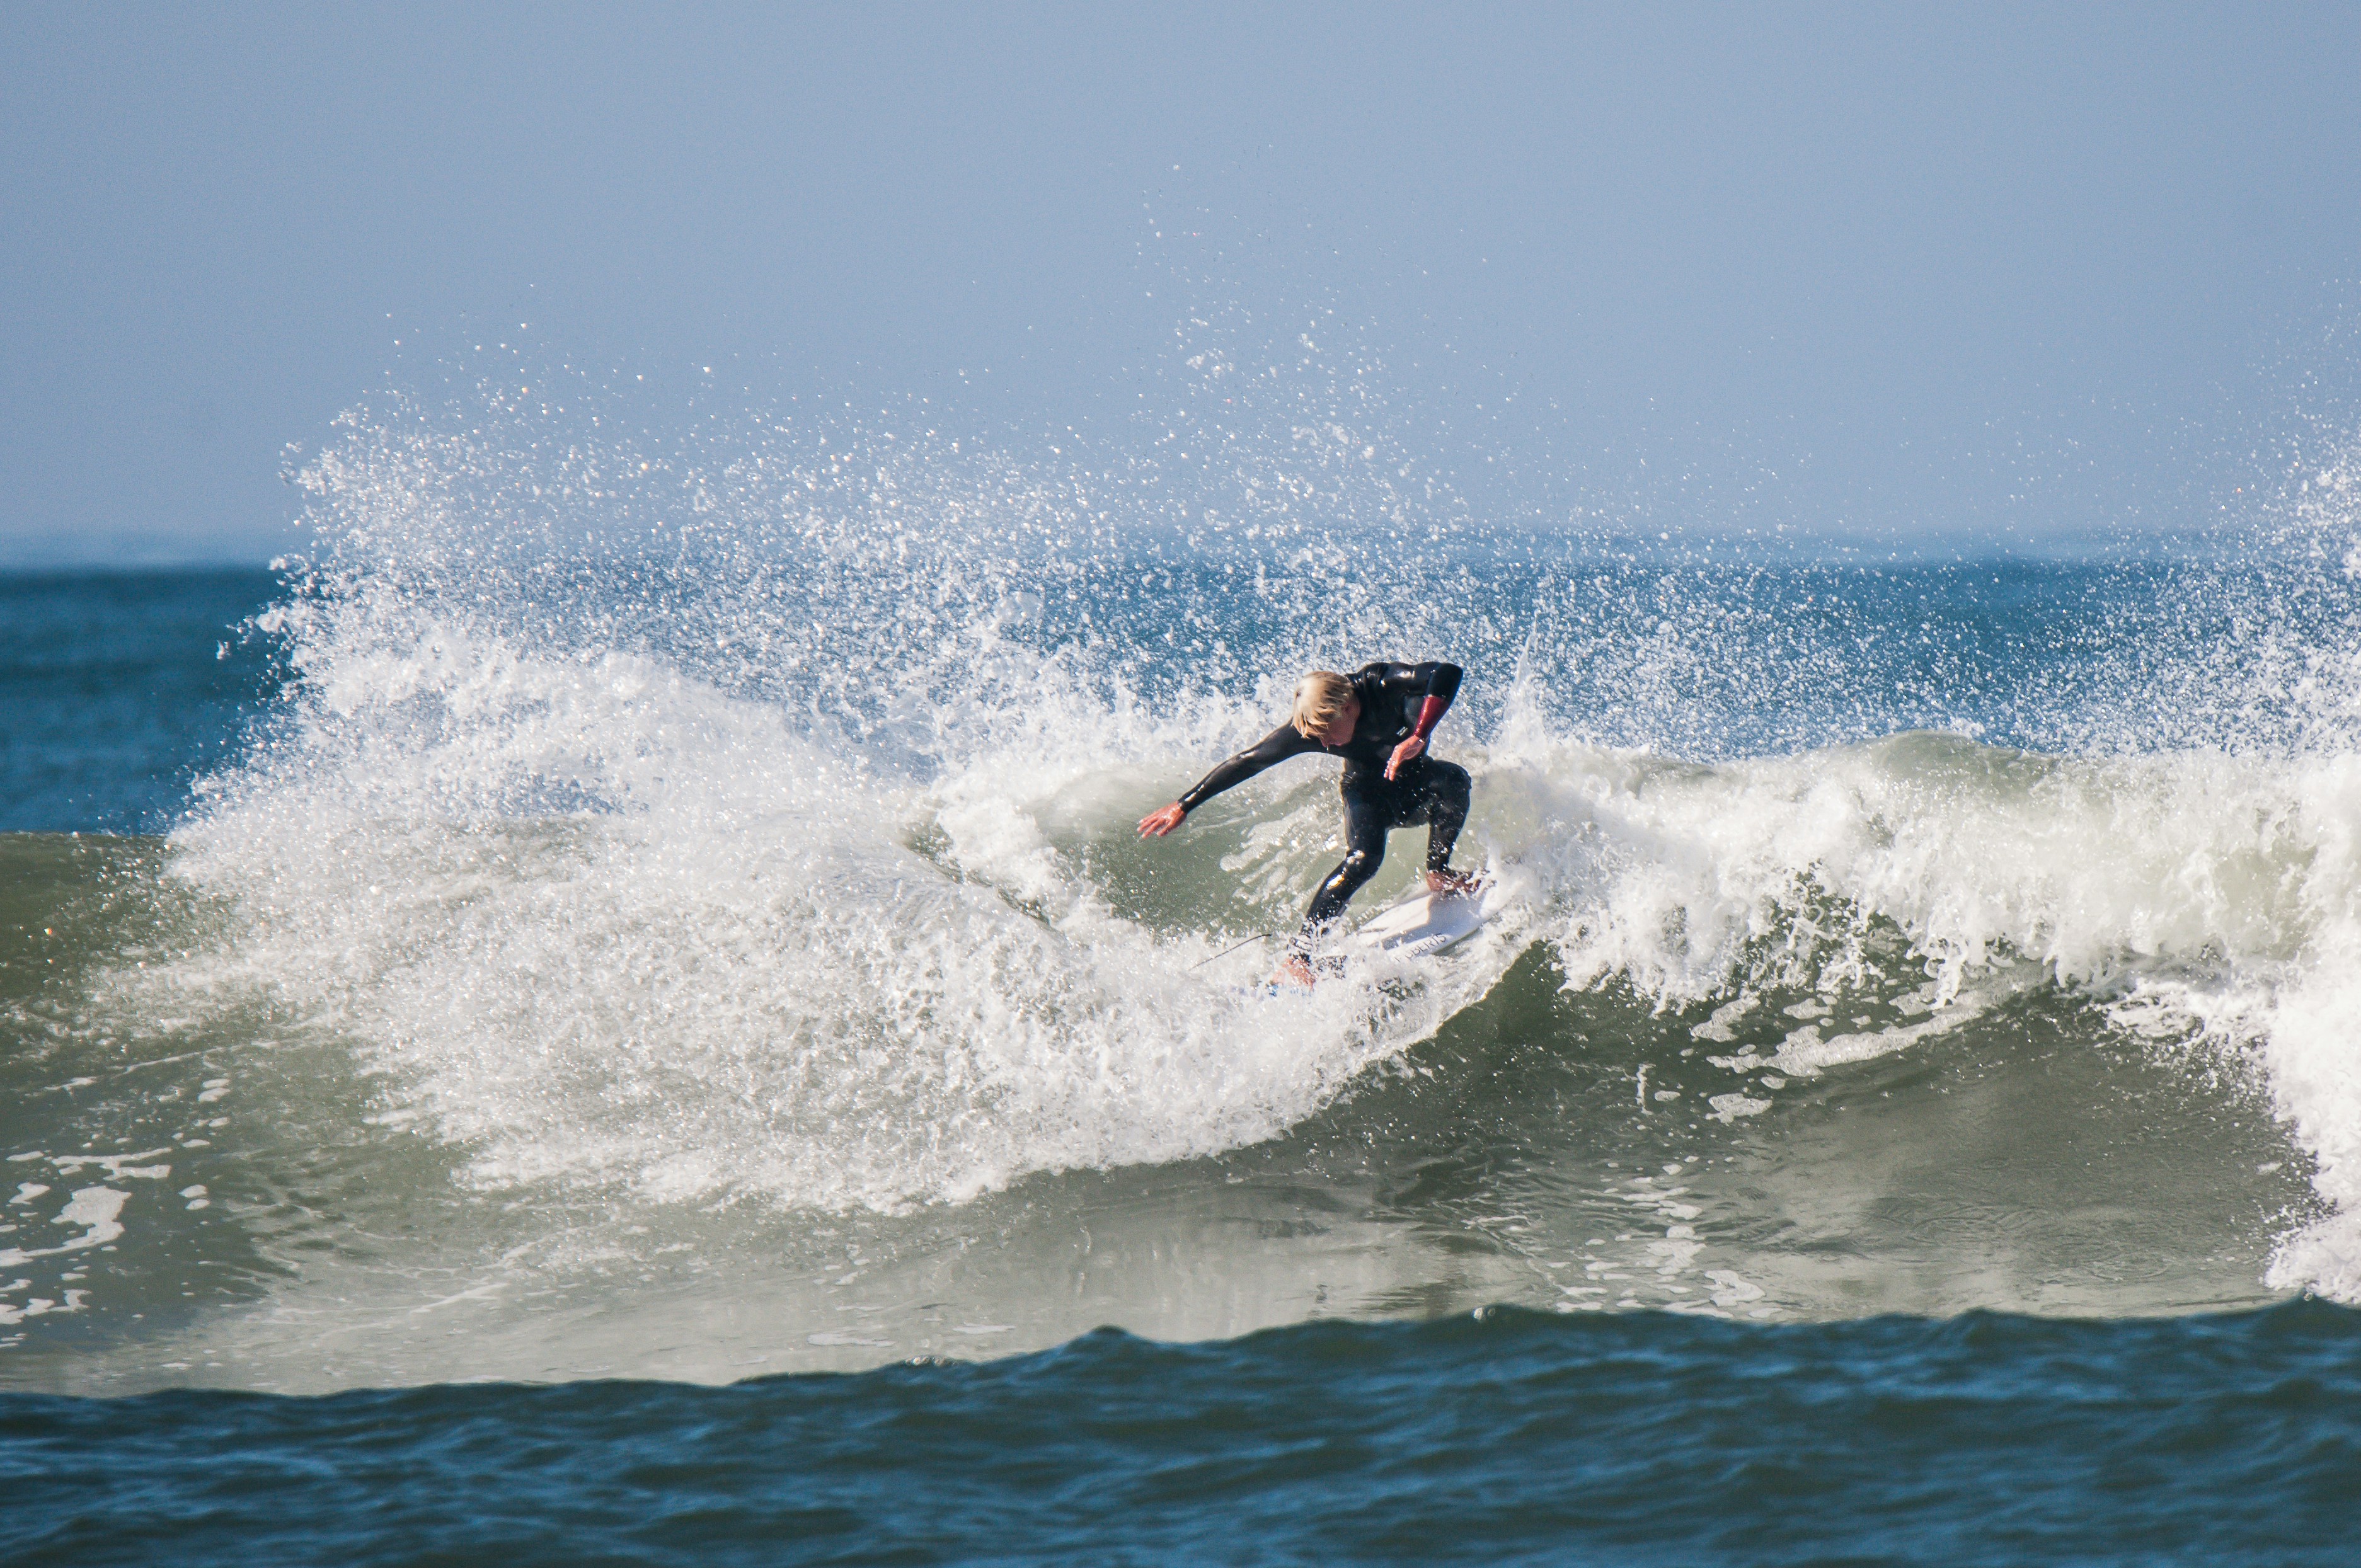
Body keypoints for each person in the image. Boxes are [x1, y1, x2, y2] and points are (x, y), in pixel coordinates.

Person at [1137, 660, 1476, 985]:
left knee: (1455, 780)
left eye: (1326, 734)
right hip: (1367, 794)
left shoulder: (1381, 684)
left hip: (1416, 784)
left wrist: (1419, 734)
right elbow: (1248, 762)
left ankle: (1438, 871)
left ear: (1346, 707)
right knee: (1362, 861)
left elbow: (1446, 673)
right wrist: (1185, 805)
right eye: (1317, 738)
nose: (1324, 745)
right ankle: (1299, 957)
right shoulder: (1313, 730)